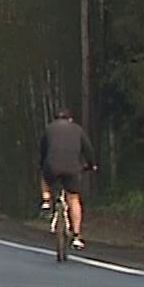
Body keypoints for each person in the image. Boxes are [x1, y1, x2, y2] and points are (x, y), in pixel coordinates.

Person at [37, 107, 96, 250]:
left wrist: (42, 164)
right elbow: (88, 149)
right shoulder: (77, 129)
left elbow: (43, 150)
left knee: (45, 177)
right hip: (72, 168)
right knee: (74, 199)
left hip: (51, 166)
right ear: (70, 119)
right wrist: (92, 165)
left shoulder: (49, 129)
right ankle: (76, 236)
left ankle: (46, 201)